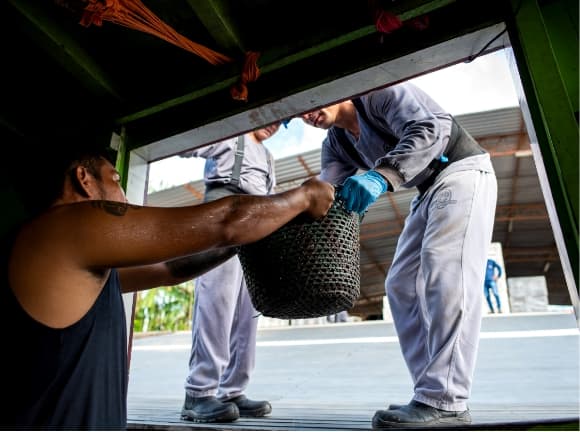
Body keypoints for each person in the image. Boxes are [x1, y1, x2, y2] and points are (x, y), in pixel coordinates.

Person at [1, 141, 334, 430]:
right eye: (115, 180)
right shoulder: (66, 227)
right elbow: (226, 220)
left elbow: (168, 269)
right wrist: (303, 197)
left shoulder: (71, 260)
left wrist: (241, 244)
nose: (123, 193)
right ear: (83, 179)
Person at [300, 81, 498, 428]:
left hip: (461, 171)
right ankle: (430, 394)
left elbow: (431, 127)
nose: (308, 113)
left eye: (311, 99)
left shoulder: (378, 92)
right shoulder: (336, 143)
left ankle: (447, 400)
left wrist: (381, 175)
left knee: (444, 273)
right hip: (426, 190)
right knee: (401, 285)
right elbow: (323, 190)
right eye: (297, 112)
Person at [179, 123, 279, 423]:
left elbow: (272, 197)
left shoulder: (268, 155)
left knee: (247, 315)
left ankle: (233, 390)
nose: (275, 124)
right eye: (272, 115)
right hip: (221, 220)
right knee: (216, 306)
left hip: (257, 229)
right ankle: (198, 392)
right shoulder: (229, 133)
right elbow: (185, 143)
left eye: (282, 121)